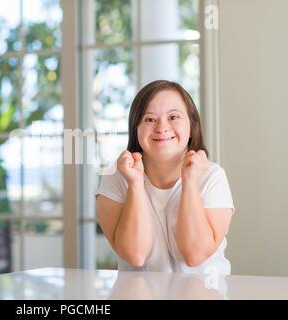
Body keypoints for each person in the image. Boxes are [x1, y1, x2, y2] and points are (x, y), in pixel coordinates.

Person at [95, 80, 235, 275]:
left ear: (191, 125)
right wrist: (135, 183)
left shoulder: (213, 176)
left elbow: (195, 255)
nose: (162, 127)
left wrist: (190, 182)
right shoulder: (116, 177)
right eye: (150, 119)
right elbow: (135, 255)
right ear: (136, 129)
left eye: (173, 117)